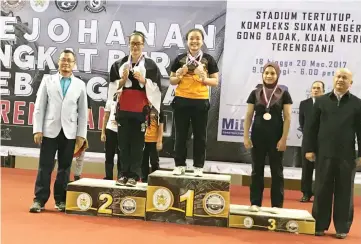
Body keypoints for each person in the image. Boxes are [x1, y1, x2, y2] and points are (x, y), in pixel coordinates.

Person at [304, 68, 361, 239]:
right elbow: (311, 128)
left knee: (345, 192)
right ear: (333, 79)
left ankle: (342, 228)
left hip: (347, 155)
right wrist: (309, 148)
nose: (341, 80)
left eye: (345, 78)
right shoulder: (320, 101)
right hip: (323, 154)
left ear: (350, 83)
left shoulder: (357, 104)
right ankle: (319, 225)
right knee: (321, 190)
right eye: (338, 77)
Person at [30, 49, 88, 213]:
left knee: (65, 168)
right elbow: (39, 106)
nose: (66, 63)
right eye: (63, 60)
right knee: (45, 166)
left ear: (74, 64)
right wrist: (37, 129)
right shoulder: (48, 81)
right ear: (58, 62)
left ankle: (61, 200)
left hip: (69, 132)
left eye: (69, 60)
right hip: (49, 130)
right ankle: (39, 200)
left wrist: (81, 135)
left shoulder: (80, 85)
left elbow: (83, 113)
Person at [109, 30, 161, 186]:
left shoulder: (151, 65)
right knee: (123, 144)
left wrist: (144, 81)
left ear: (143, 45)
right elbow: (111, 89)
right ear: (129, 44)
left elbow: (157, 90)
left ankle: (134, 176)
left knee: (138, 145)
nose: (135, 46)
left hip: (140, 111)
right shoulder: (119, 64)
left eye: (138, 43)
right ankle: (123, 174)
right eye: (133, 43)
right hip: (123, 109)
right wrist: (122, 80)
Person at [169, 28, 219, 177]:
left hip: (200, 101)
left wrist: (203, 78)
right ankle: (179, 165)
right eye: (191, 38)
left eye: (197, 38)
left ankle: (198, 166)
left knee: (200, 136)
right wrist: (179, 75)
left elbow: (215, 81)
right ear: (187, 41)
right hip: (181, 101)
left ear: (202, 41)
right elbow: (172, 80)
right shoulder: (179, 59)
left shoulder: (208, 59)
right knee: (181, 135)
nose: (194, 41)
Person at [243, 62, 292, 211]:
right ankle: (255, 202)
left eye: (272, 73)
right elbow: (249, 115)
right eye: (266, 73)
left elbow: (288, 117)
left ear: (277, 75)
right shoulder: (255, 93)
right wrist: (246, 136)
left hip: (276, 137)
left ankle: (277, 204)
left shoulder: (284, 93)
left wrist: (283, 139)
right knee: (257, 170)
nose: (269, 76)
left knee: (276, 171)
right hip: (258, 136)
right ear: (262, 75)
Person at [299, 81, 325, 202]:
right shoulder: (304, 104)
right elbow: (302, 124)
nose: (315, 90)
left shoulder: (327, 104)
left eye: (318, 88)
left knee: (321, 170)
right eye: (314, 88)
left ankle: (319, 194)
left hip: (323, 142)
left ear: (323, 91)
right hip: (308, 141)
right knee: (306, 169)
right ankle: (306, 193)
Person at [101, 80, 121, 180]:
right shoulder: (110, 101)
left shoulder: (127, 102)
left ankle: (121, 176)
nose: (119, 91)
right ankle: (108, 176)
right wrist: (103, 132)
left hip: (122, 132)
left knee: (121, 155)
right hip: (110, 130)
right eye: (118, 89)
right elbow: (105, 116)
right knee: (109, 155)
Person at [72, 90, 92, 181]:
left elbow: (86, 116)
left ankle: (77, 175)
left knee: (81, 152)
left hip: (80, 128)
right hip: (68, 127)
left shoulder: (86, 97)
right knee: (64, 152)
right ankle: (64, 173)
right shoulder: (70, 94)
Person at [141, 105, 164, 182]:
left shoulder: (158, 108)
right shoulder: (143, 106)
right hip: (144, 139)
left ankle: (155, 180)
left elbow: (161, 125)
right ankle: (144, 180)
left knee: (154, 161)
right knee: (143, 161)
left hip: (154, 140)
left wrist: (159, 140)